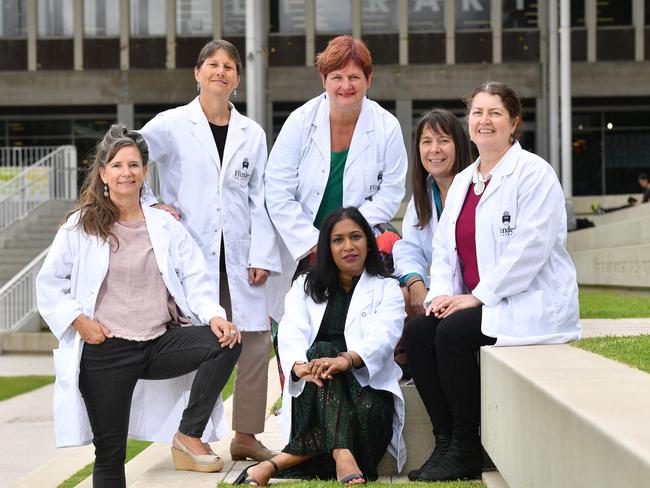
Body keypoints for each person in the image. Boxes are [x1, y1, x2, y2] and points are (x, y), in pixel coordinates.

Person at [36, 125, 242, 488]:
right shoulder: (79, 227)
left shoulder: (165, 224)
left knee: (224, 342)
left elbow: (196, 277)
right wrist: (79, 321)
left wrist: (213, 315)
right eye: (116, 165)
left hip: (158, 343)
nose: (125, 172)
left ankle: (188, 432)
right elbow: (49, 284)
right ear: (103, 173)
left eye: (133, 164)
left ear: (145, 171)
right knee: (111, 454)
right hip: (107, 350)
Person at [404, 81, 581, 482]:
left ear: (514, 122)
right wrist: (441, 295)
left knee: (451, 333)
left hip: (528, 302)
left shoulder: (534, 174)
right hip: (482, 302)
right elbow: (445, 250)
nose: (484, 121)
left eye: (495, 113)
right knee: (419, 332)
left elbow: (530, 251)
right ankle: (445, 439)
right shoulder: (466, 181)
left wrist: (477, 297)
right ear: (469, 123)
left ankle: (467, 446)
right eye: (478, 113)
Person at [140, 40, 280, 462]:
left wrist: (262, 255)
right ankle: (190, 431)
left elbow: (260, 198)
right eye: (212, 65)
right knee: (206, 343)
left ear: (237, 78)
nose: (221, 71)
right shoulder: (171, 124)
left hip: (240, 258)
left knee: (255, 343)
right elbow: (127, 157)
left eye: (229, 66)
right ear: (197, 73)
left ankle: (246, 435)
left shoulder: (251, 133)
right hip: (191, 253)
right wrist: (150, 202)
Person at [233, 207, 407, 486]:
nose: (348, 246)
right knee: (318, 353)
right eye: (338, 240)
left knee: (323, 353)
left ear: (368, 242)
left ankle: (274, 465)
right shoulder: (304, 286)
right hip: (314, 391)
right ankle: (342, 453)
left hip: (367, 402)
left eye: (355, 237)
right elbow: (290, 331)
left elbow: (384, 336)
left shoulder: (387, 289)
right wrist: (301, 367)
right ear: (327, 247)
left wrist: (346, 360)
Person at [264, 35, 407, 325]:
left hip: (356, 245)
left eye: (354, 76)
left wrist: (345, 235)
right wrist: (315, 243)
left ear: (369, 78)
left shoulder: (386, 126)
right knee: (298, 327)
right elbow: (277, 190)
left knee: (353, 325)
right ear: (323, 78)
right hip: (301, 245)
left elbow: (391, 192)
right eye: (337, 77)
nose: (346, 86)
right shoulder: (300, 121)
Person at [393, 109, 472, 320]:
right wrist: (415, 283)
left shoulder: (477, 190)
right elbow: (409, 249)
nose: (434, 149)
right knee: (398, 298)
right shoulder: (423, 198)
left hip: (474, 296)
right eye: (426, 142)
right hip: (440, 295)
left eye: (443, 140)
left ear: (459, 145)